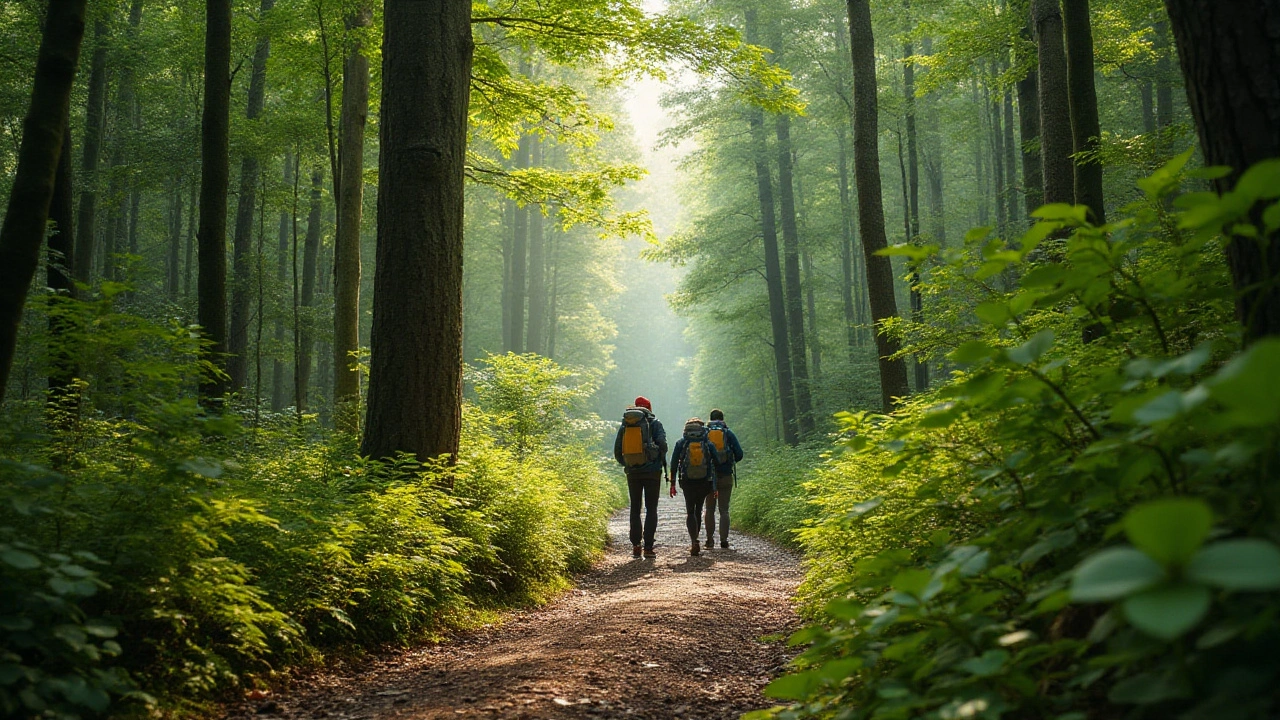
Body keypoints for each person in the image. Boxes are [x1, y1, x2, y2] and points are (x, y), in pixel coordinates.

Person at [613, 396, 668, 558]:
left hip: (633, 473)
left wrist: (629, 464)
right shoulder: (655, 423)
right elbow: (663, 446)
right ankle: (649, 547)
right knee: (651, 509)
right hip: (652, 473)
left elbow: (617, 451)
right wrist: (655, 457)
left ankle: (636, 545)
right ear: (649, 408)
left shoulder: (626, 424)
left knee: (635, 508)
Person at [669, 417, 718, 556]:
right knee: (699, 508)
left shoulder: (681, 443)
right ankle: (696, 539)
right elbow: (718, 462)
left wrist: (672, 483)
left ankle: (694, 541)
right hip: (704, 481)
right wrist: (715, 484)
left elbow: (673, 464)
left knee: (690, 511)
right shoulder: (707, 443)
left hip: (687, 481)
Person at [703, 409, 744, 549]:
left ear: (710, 419)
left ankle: (709, 540)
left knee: (709, 508)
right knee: (724, 510)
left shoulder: (704, 433)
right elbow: (739, 454)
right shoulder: (728, 433)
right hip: (726, 475)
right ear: (722, 419)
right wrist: (728, 461)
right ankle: (724, 541)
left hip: (708, 477)